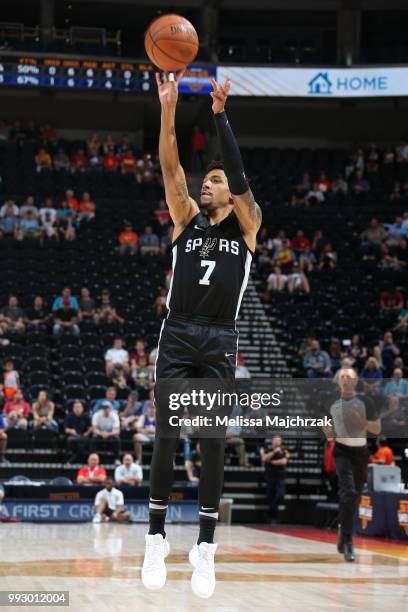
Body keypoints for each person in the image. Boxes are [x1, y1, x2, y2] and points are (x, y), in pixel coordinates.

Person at [141, 72, 261, 598]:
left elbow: (237, 175)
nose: (206, 183)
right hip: (178, 333)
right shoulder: (185, 218)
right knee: (167, 432)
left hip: (219, 337)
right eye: (206, 179)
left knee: (212, 439)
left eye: (213, 180)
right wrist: (168, 109)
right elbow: (169, 162)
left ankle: (206, 548)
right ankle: (155, 537)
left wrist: (218, 115)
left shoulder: (248, 225)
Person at [324, 367, 381, 562]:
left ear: (355, 381)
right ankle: (348, 541)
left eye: (349, 376)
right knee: (347, 492)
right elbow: (329, 435)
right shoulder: (331, 404)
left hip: (361, 453)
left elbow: (377, 428)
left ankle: (343, 532)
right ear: (338, 381)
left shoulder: (366, 401)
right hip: (341, 452)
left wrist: (361, 421)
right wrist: (328, 432)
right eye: (343, 376)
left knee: (353, 496)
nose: (346, 379)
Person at [260, 435, 289, 523]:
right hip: (270, 477)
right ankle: (273, 518)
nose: (276, 442)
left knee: (280, 495)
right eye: (275, 440)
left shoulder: (285, 451)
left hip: (281, 477)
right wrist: (273, 452)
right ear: (272, 441)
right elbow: (264, 459)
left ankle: (269, 512)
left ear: (281, 442)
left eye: (278, 440)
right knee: (271, 497)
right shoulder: (267, 450)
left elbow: (284, 461)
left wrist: (271, 461)